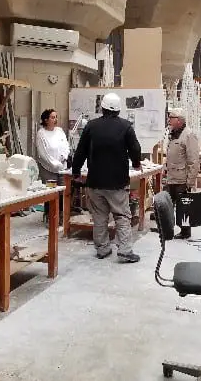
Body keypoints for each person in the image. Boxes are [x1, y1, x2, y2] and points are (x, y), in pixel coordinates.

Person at [71, 92, 142, 263]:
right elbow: (135, 148)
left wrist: (76, 172)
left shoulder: (91, 126)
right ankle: (125, 251)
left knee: (99, 217)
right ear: (118, 110)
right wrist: (137, 163)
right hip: (117, 182)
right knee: (121, 216)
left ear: (102, 108)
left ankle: (102, 249)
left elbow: (80, 151)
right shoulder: (126, 126)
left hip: (95, 181)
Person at [164, 107, 200, 239]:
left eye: (171, 118)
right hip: (171, 177)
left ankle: (185, 232)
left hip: (182, 179)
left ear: (179, 120)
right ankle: (167, 229)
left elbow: (194, 160)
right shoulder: (173, 134)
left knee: (183, 206)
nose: (169, 120)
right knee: (167, 205)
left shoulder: (189, 135)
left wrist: (190, 182)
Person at [36, 109, 70, 223]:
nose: (55, 120)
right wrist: (55, 164)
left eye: (56, 117)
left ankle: (59, 216)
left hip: (62, 168)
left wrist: (64, 157)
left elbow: (66, 145)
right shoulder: (41, 133)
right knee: (50, 192)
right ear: (46, 120)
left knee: (61, 192)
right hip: (48, 168)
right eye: (52, 117)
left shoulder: (59, 131)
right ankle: (49, 216)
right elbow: (43, 154)